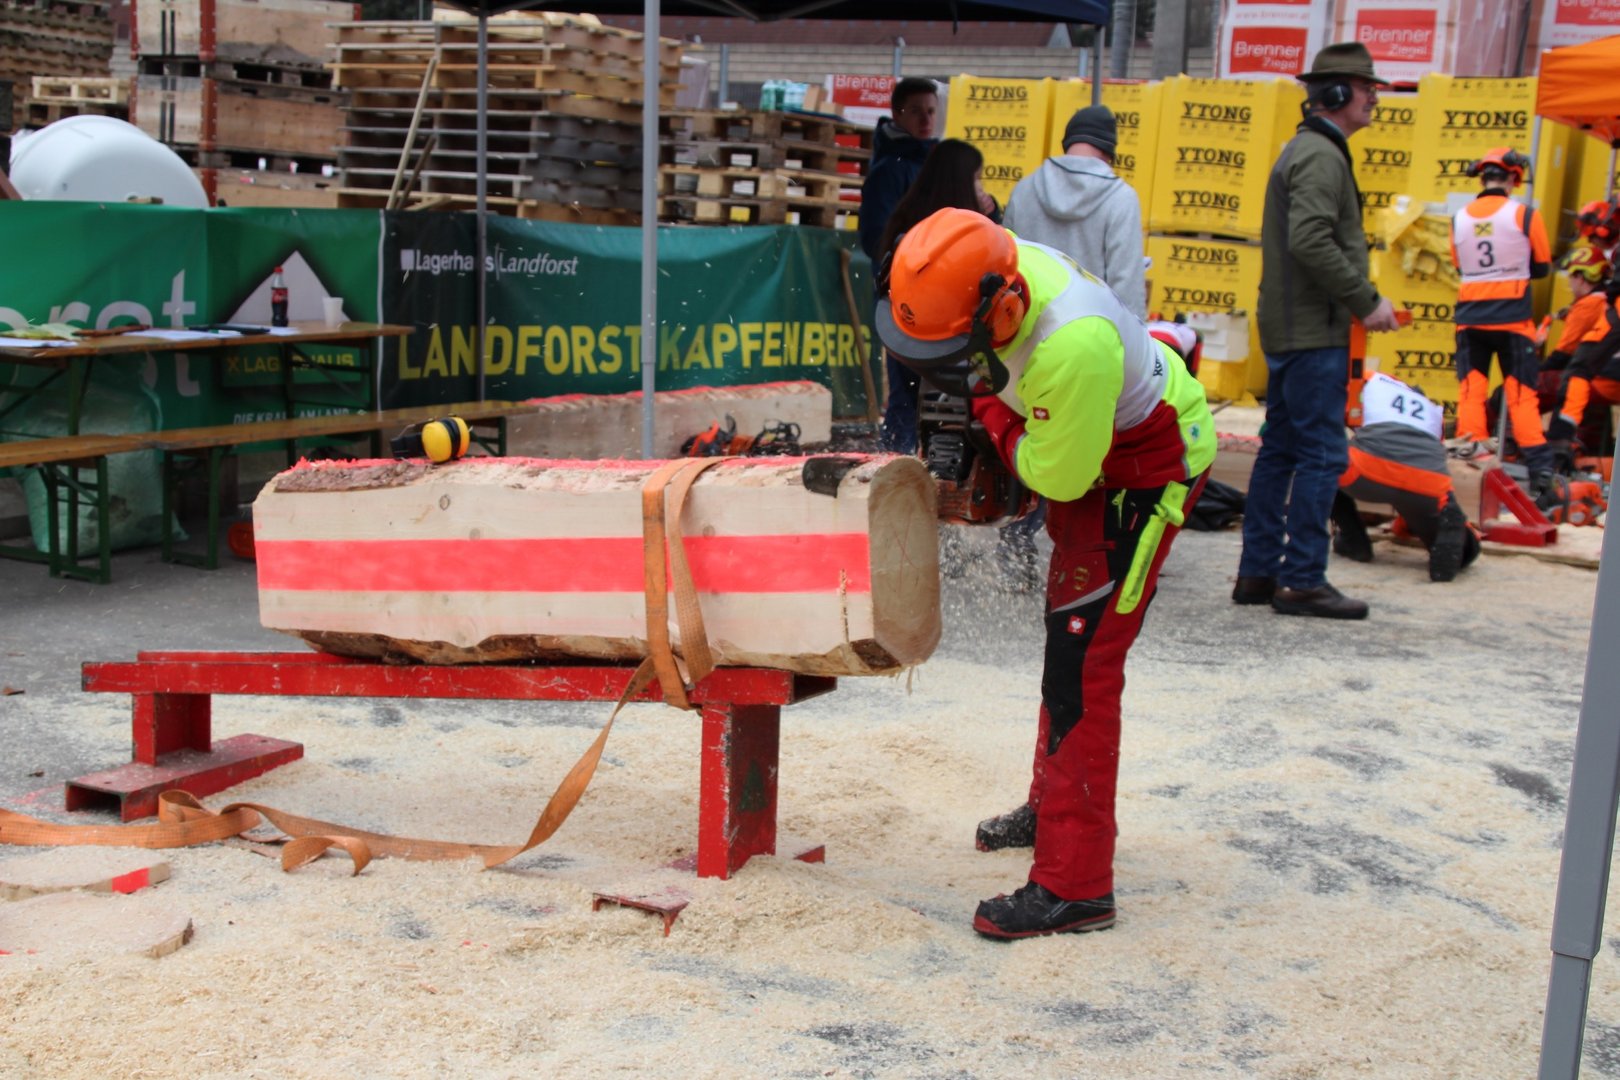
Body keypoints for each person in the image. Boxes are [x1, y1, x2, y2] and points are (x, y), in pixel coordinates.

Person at [874, 207, 1215, 940]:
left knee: (1083, 666)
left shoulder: (1071, 345)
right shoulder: (980, 263)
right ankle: (1051, 807)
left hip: (1144, 470)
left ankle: (1076, 886)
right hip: (1084, 439)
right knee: (1067, 641)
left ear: (1003, 307)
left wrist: (996, 422)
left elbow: (1057, 478)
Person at [1234, 41, 1402, 622]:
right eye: (1366, 87)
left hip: (1296, 326)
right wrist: (1366, 300)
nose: (1374, 96)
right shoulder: (1321, 156)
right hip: (1313, 331)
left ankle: (1259, 572)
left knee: (1281, 450)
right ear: (1335, 93)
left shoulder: (1309, 151)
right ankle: (1303, 579)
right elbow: (1310, 241)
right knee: (1322, 454)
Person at [1445, 147, 1555, 499]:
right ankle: (1541, 475)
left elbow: (1460, 265)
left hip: (1470, 319)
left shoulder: (1459, 218)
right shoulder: (1524, 215)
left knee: (1471, 393)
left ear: (1482, 178)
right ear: (1513, 179)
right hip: (1513, 320)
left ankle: (1471, 469)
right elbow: (1542, 267)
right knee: (1522, 397)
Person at [1330, 371, 1481, 583]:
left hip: (1365, 473)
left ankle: (1353, 540)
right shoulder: (1430, 409)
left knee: (1321, 462)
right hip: (1426, 483)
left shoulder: (1358, 380)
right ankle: (1462, 542)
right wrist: (1405, 525)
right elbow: (1429, 457)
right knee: (1453, 528)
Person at [1003, 104, 1146, 319]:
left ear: (1067, 143)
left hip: (1025, 328)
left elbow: (1006, 263)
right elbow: (1127, 289)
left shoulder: (1024, 189)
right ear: (1109, 152)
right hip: (1090, 331)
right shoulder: (1120, 198)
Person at [860, 78, 941, 452]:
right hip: (904, 297)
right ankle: (893, 464)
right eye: (916, 111)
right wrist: (916, 261)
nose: (926, 120)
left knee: (933, 394)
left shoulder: (933, 162)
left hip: (939, 295)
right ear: (897, 114)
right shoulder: (890, 170)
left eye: (931, 111)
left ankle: (923, 467)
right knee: (906, 391)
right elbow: (875, 238)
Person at [1543, 244, 1611, 457]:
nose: (1569, 282)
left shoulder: (1588, 305)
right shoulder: (1605, 301)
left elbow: (1563, 354)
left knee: (1531, 386)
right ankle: (1590, 451)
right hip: (1606, 375)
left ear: (1581, 277)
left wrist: (1536, 369)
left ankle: (1514, 444)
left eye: (1571, 276)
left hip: (1596, 377)